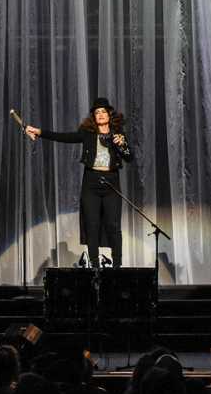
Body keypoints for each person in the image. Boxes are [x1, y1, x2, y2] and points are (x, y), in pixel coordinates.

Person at [25, 98, 132, 270]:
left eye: (104, 111)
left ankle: (117, 267)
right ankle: (95, 268)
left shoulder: (118, 134)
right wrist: (40, 132)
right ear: (93, 117)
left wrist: (123, 145)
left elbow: (129, 157)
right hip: (91, 183)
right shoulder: (87, 133)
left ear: (109, 115)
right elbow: (64, 137)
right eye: (97, 112)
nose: (101, 115)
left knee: (113, 225)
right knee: (92, 225)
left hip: (111, 183)